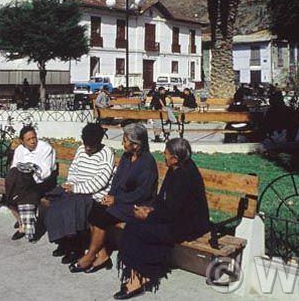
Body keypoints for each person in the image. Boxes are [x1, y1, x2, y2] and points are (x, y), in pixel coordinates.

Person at [113, 138, 210, 298]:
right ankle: (138, 273)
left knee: (138, 229)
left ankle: (141, 276)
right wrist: (149, 208)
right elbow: (164, 198)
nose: (163, 157)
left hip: (189, 225)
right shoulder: (177, 168)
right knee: (134, 223)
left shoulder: (183, 176)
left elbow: (172, 212)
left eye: (166, 154)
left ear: (175, 158)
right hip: (175, 218)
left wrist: (149, 214)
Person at [70, 123, 157, 274]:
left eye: (125, 140)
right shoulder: (126, 157)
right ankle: (102, 255)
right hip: (120, 200)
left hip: (136, 205)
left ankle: (89, 256)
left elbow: (143, 193)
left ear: (135, 145)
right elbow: (117, 180)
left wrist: (117, 200)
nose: (122, 143)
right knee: (94, 211)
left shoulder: (147, 162)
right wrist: (110, 196)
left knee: (102, 218)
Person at [43, 123, 115, 263]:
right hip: (76, 188)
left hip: (93, 193)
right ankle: (63, 241)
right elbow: (74, 170)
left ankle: (76, 247)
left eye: (91, 146)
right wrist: (71, 184)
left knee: (72, 207)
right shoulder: (81, 149)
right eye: (86, 144)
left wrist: (77, 189)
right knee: (55, 202)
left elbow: (101, 181)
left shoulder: (107, 153)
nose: (87, 148)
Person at [4, 125, 57, 242]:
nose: (33, 141)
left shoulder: (45, 148)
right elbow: (14, 167)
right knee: (13, 178)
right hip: (22, 183)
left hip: (42, 183)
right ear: (22, 141)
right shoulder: (20, 150)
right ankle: (24, 224)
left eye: (34, 137)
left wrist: (29, 174)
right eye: (28, 139)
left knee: (14, 193)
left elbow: (45, 172)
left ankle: (25, 226)